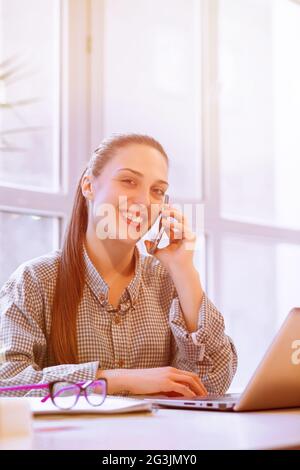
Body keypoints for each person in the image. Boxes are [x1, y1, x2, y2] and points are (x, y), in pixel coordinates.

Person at [0, 134, 237, 397]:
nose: (145, 201)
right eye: (128, 181)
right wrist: (117, 381)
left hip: (161, 438)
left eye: (157, 191)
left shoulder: (167, 281)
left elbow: (213, 384)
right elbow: (8, 382)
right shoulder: (35, 280)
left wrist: (184, 270)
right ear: (88, 186)